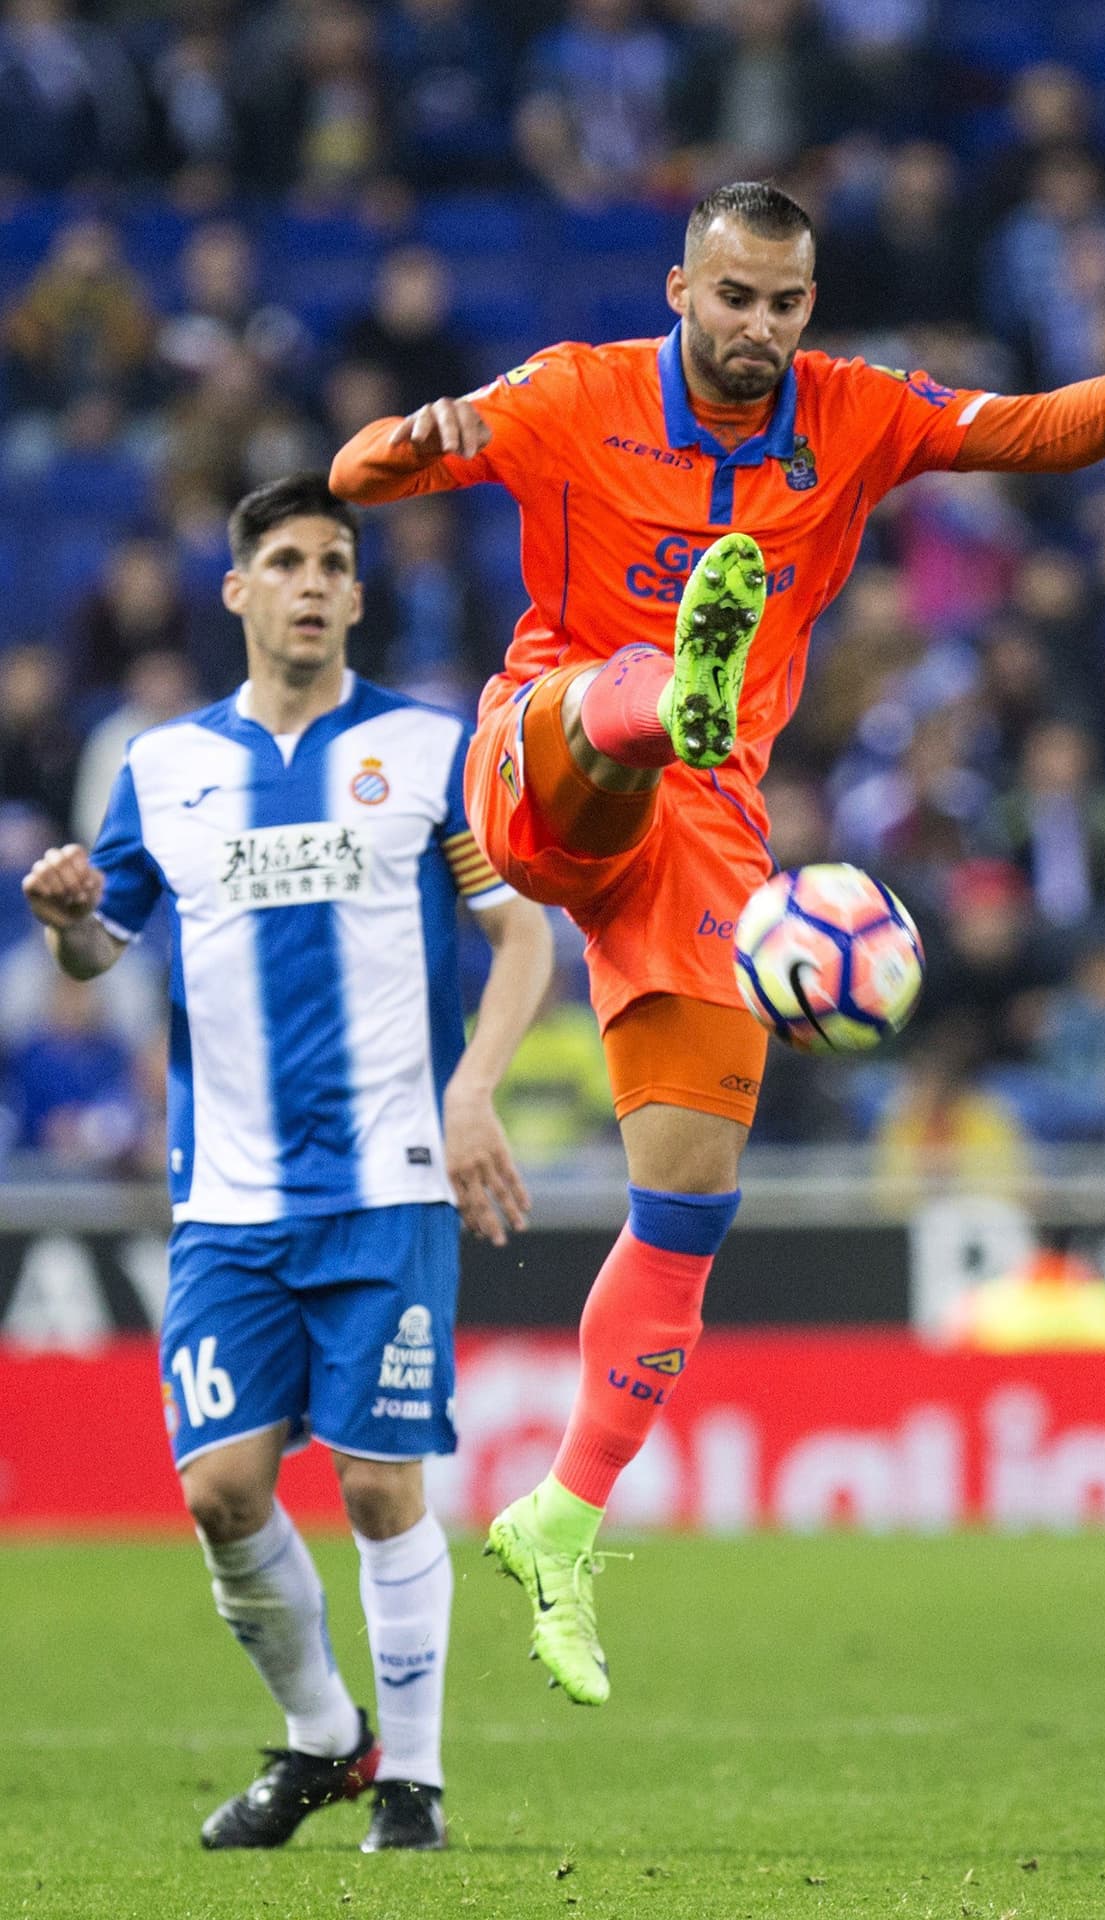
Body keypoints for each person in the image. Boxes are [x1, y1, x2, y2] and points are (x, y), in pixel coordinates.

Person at [329, 179, 1105, 1708]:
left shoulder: (854, 411)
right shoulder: (572, 391)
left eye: (782, 304)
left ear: (808, 306)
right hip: (543, 754)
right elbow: (356, 474)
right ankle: (665, 692)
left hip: (708, 840)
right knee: (610, 712)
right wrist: (412, 440)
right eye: (733, 297)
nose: (757, 326)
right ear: (680, 289)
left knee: (689, 1202)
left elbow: (1033, 433)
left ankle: (561, 1519)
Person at [21, 473, 553, 1850]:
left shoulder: (431, 749)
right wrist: (69, 918)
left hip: (388, 1180)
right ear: (236, 589)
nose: (310, 584)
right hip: (228, 1197)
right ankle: (326, 1737)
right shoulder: (163, 768)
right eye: (285, 563)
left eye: (331, 563)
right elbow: (98, 953)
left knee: (378, 1484)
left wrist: (475, 1090)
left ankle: (415, 1787)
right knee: (219, 1492)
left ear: (359, 595)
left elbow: (523, 936)